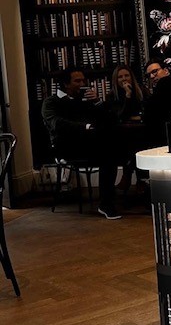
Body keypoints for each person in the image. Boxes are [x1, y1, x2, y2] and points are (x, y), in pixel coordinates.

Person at [42, 66, 121, 219]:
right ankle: (108, 201)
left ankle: (106, 203)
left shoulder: (83, 100)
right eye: (77, 80)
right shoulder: (51, 102)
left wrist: (98, 102)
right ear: (66, 84)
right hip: (65, 147)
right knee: (109, 149)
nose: (82, 83)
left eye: (83, 80)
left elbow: (110, 118)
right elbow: (57, 124)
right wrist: (85, 127)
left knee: (110, 152)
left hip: (88, 144)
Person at [106, 64, 147, 191]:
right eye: (120, 77)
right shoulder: (112, 96)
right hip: (122, 133)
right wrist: (128, 96)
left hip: (141, 129)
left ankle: (128, 174)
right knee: (131, 144)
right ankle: (140, 179)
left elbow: (146, 110)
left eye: (126, 75)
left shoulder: (141, 90)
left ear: (131, 77)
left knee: (139, 143)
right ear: (115, 80)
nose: (124, 79)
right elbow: (120, 116)